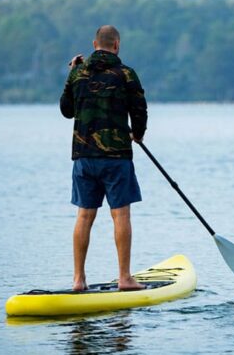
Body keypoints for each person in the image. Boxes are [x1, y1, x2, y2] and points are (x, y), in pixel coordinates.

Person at [59, 25, 148, 291]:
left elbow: (66, 110)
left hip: (84, 157)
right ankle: (124, 278)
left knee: (84, 216)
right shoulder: (126, 74)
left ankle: (78, 280)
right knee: (120, 216)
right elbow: (140, 110)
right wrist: (139, 134)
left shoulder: (78, 73)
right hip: (116, 156)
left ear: (94, 44)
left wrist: (72, 74)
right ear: (116, 45)